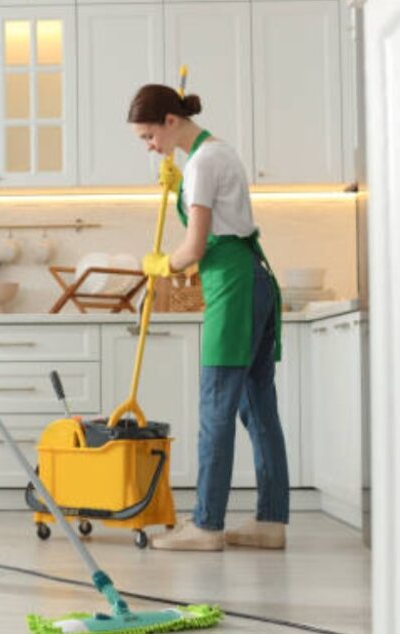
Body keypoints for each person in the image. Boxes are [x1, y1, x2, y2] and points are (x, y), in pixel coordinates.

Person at [127, 84, 289, 550]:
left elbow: (194, 248)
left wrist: (160, 265)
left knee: (217, 405)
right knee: (258, 406)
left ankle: (206, 525)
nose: (150, 146)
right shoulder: (216, 153)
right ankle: (271, 521)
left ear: (170, 121)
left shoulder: (201, 162)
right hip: (251, 279)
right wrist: (180, 187)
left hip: (234, 286)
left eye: (149, 135)